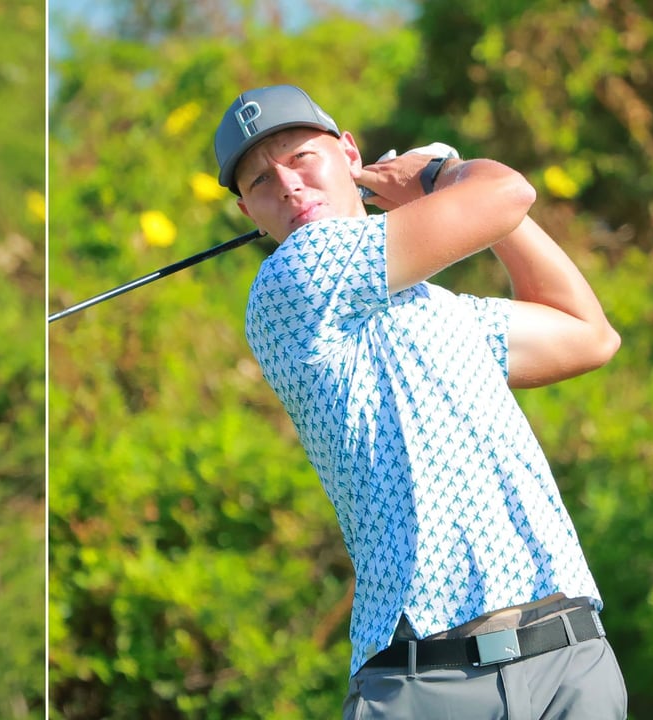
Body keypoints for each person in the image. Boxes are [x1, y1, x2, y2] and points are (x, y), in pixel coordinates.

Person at [212, 84, 625, 719]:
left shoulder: (445, 310)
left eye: (301, 158)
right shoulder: (291, 284)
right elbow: (507, 192)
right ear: (249, 213)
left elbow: (588, 333)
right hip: (428, 679)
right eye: (262, 182)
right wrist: (439, 175)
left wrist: (443, 191)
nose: (289, 186)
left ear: (349, 153)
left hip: (564, 654)